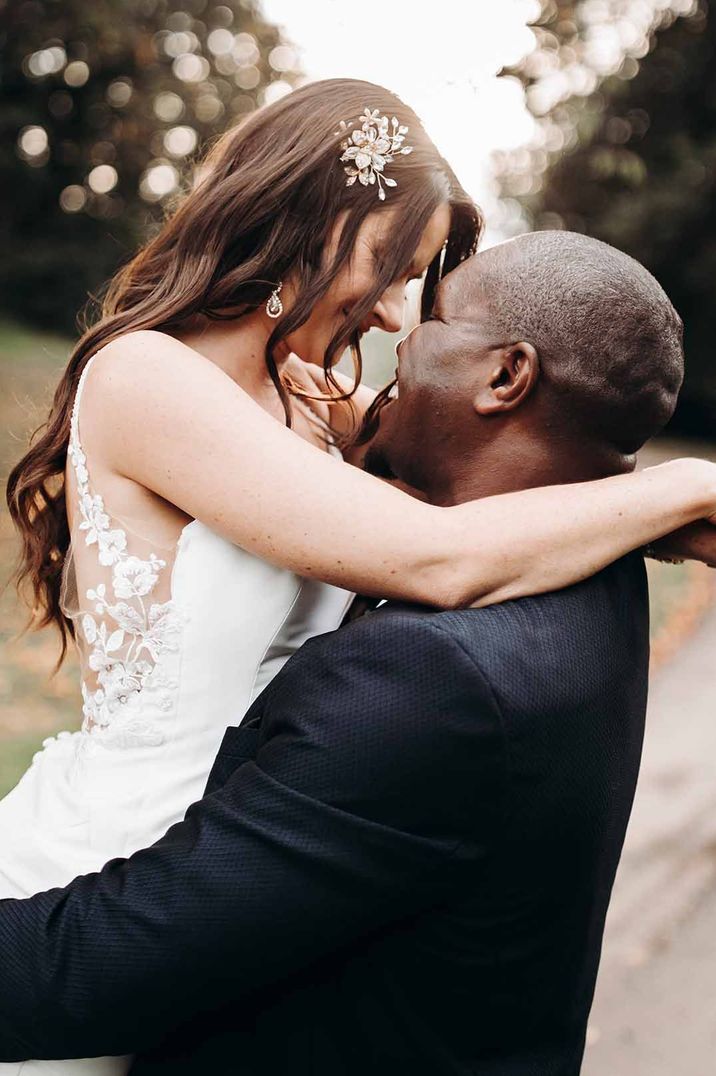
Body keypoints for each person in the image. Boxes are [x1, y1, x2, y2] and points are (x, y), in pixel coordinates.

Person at [0, 230, 708, 1075]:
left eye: (435, 312)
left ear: (507, 376)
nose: (400, 333)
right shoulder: (596, 569)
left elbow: (83, 974)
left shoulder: (428, 678)